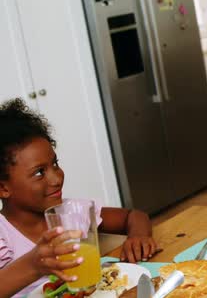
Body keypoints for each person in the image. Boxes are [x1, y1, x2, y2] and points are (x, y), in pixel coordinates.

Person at [0, 98, 158, 297]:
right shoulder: (3, 236)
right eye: (39, 172)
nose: (56, 178)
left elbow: (133, 216)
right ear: (3, 188)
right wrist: (33, 264)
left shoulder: (72, 213)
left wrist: (138, 236)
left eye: (55, 164)